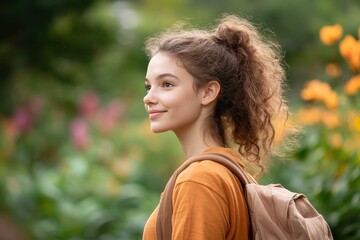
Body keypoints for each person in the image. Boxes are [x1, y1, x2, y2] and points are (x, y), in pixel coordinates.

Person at [142, 14, 293, 240]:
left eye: (167, 84)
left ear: (208, 92)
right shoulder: (231, 172)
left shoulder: (199, 180)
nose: (148, 98)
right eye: (148, 86)